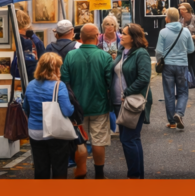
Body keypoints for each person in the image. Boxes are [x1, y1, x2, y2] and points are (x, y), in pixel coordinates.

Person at [60, 24, 116, 179]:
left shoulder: (71, 56)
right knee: (98, 141)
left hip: (76, 107)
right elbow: (109, 82)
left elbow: (64, 82)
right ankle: (99, 174)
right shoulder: (105, 57)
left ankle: (81, 169)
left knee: (80, 140)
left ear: (81, 37)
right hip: (99, 105)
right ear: (97, 36)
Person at [21, 52, 74, 179]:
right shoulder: (58, 85)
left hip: (35, 131)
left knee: (40, 166)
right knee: (59, 166)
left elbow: (26, 108)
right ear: (55, 68)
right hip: (55, 131)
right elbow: (67, 111)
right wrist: (73, 107)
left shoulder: (31, 84)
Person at [112, 24, 153, 179]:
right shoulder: (122, 51)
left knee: (128, 139)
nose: (120, 36)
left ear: (133, 37)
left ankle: (134, 176)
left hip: (133, 102)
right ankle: (136, 175)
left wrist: (127, 92)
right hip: (120, 102)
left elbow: (144, 77)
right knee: (131, 139)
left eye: (124, 34)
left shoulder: (141, 53)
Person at [155, 7, 195, 131]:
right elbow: (191, 49)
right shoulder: (186, 31)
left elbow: (159, 51)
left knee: (169, 93)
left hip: (167, 65)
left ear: (167, 18)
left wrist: (159, 61)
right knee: (183, 91)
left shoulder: (163, 32)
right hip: (182, 65)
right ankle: (179, 113)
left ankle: (172, 121)